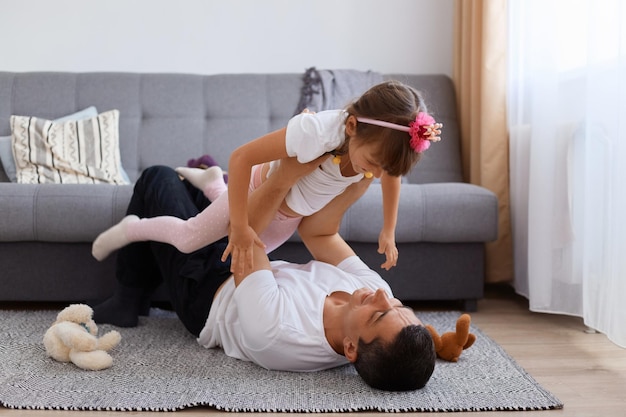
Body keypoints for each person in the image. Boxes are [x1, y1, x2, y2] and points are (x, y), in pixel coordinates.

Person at [91, 158, 436, 391]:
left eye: (378, 313)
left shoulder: (279, 334)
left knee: (158, 177)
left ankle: (127, 298)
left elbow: (250, 232)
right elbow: (321, 234)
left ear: (349, 348)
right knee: (197, 196)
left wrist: (285, 174)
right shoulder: (377, 294)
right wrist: (360, 179)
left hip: (207, 292)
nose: (380, 295)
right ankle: (210, 185)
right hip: (252, 263)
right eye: (396, 303)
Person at [91, 80, 442, 277]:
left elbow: (391, 173)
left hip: (292, 213)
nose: (377, 174)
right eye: (375, 163)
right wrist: (242, 227)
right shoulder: (315, 132)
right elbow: (242, 157)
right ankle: (132, 227)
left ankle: (214, 182)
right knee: (190, 239)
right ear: (351, 128)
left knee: (241, 258)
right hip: (262, 189)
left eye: (385, 169)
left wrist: (389, 228)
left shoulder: (379, 157)